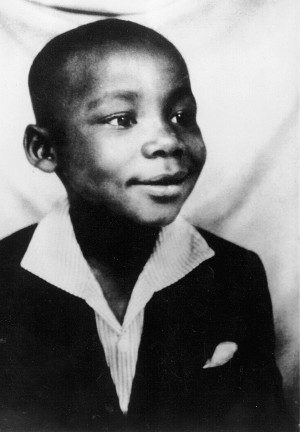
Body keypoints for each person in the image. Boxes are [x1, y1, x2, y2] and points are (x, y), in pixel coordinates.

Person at [0, 19, 295, 432]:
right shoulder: (4, 281)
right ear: (44, 149)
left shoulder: (234, 275)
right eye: (122, 118)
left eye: (180, 115)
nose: (168, 140)